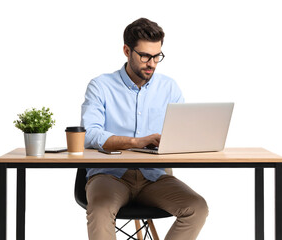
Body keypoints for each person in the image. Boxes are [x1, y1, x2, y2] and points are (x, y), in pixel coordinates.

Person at [81, 17, 208, 240]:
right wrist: (135, 142)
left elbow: (183, 132)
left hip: (155, 177)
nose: (152, 63)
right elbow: (89, 134)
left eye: (157, 56)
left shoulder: (169, 87)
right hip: (110, 177)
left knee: (197, 207)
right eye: (145, 56)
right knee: (101, 209)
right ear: (126, 50)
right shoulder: (100, 86)